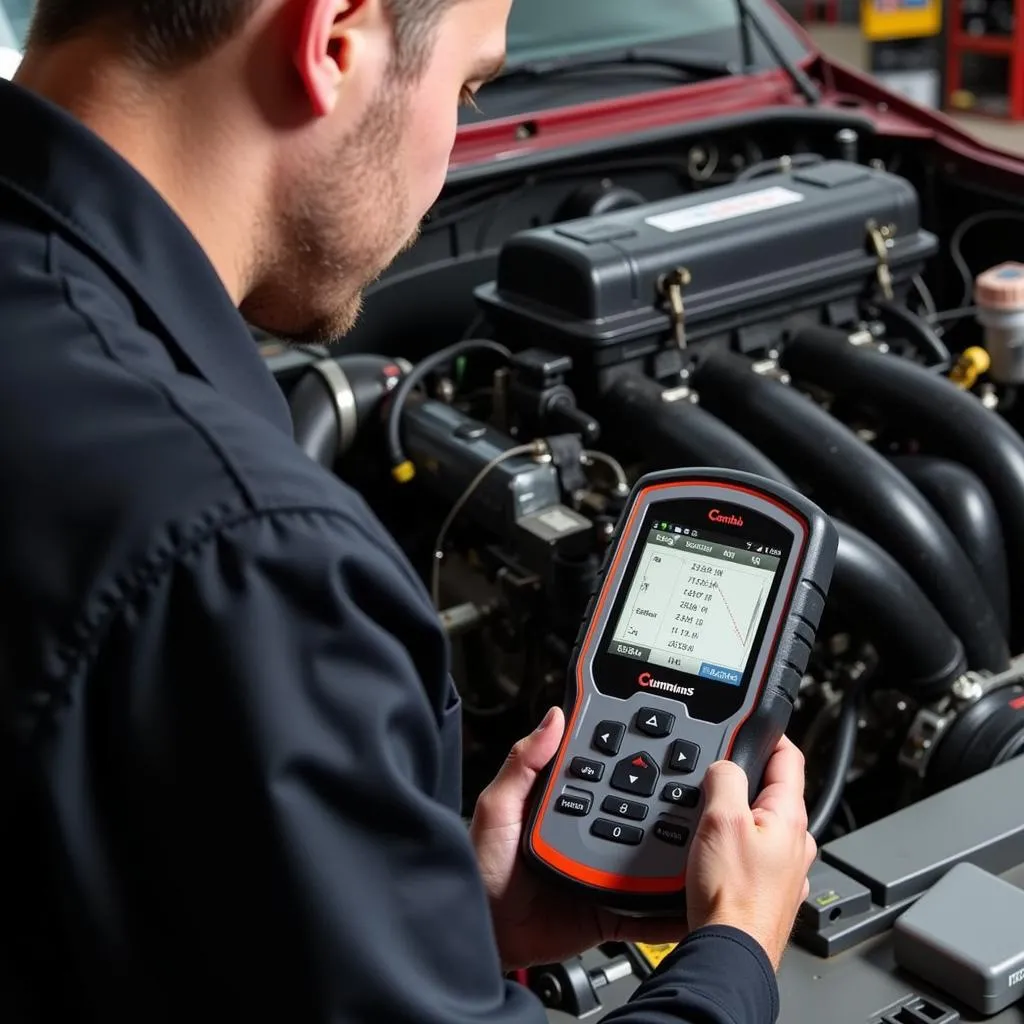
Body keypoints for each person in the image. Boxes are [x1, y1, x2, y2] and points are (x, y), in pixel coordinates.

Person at [0, 1, 817, 1021]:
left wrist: (422, 921)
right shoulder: (246, 556)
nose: (457, 144)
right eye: (470, 88)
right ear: (331, 39)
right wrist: (737, 946)